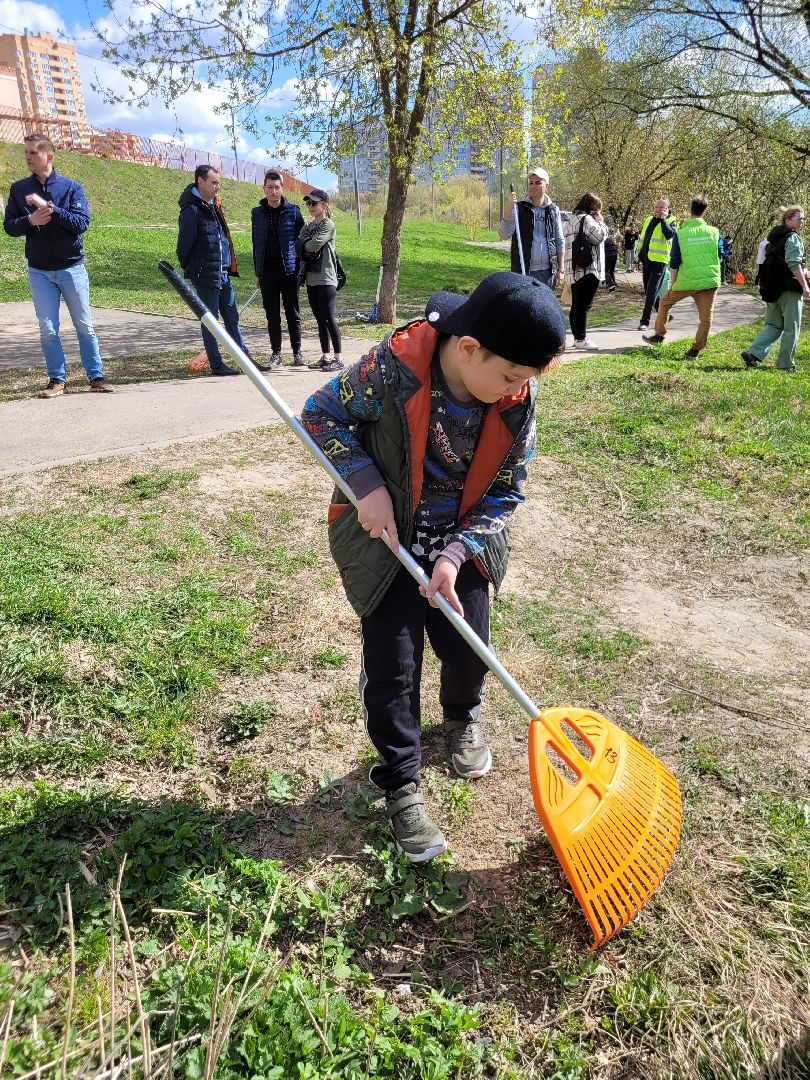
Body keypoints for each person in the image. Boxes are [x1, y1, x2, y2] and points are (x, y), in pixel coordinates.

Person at [301, 272, 566, 861]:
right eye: (509, 376)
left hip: (460, 544)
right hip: (388, 543)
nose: (516, 389)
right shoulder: (391, 369)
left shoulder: (516, 402)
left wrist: (455, 553)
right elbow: (319, 416)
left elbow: (507, 491)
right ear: (469, 348)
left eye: (525, 379)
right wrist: (365, 485)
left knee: (470, 647)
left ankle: (463, 716)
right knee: (394, 667)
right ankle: (401, 781)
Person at [3, 133, 112, 398]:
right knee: (48, 329)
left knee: (84, 325)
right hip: (39, 271)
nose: (28, 157)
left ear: (49, 156)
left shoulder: (71, 188)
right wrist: (31, 221)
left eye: (33, 153)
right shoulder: (19, 189)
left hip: (71, 268)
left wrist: (50, 208)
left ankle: (96, 376)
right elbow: (9, 227)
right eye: (26, 152)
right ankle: (57, 380)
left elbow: (81, 224)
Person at [176, 164, 253, 376]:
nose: (217, 187)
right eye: (214, 182)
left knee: (232, 317)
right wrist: (194, 269)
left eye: (219, 182)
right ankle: (217, 365)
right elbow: (183, 247)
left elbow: (221, 239)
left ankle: (245, 361)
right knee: (211, 321)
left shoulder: (214, 205)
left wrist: (226, 264)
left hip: (222, 273)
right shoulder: (191, 210)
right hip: (205, 275)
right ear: (200, 182)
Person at [642, 195, 722, 359]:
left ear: (690, 210)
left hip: (687, 281)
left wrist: (673, 284)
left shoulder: (681, 233)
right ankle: (695, 351)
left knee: (664, 302)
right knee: (706, 319)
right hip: (709, 281)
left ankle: (659, 335)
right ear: (705, 212)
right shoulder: (715, 232)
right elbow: (721, 254)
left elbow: (674, 262)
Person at [741, 205, 810, 374]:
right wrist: (805, 285)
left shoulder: (772, 238)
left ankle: (753, 353)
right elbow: (794, 264)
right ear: (788, 220)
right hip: (789, 289)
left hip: (771, 288)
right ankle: (786, 364)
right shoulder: (793, 238)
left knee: (774, 324)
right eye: (799, 218)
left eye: (803, 218)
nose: (802, 222)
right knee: (791, 327)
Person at [251, 169, 306, 370]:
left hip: (289, 272)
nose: (273, 192)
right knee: (272, 315)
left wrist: (300, 270)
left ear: (282, 188)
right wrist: (258, 272)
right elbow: (256, 243)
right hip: (267, 273)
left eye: (276, 187)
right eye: (269, 187)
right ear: (264, 188)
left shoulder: (294, 212)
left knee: (293, 314)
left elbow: (302, 242)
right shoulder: (256, 214)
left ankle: (297, 352)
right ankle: (276, 353)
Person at [297, 189, 343, 372]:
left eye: (314, 203)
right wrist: (303, 245)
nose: (311, 206)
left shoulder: (328, 224)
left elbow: (312, 245)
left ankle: (338, 358)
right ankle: (326, 356)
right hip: (311, 278)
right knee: (319, 319)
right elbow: (297, 246)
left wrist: (304, 245)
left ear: (324, 205)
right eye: (308, 203)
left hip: (326, 278)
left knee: (329, 318)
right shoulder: (307, 227)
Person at [498, 166, 565, 289]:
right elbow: (504, 234)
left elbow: (559, 240)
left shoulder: (553, 210)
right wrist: (509, 207)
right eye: (531, 183)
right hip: (523, 271)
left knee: (544, 301)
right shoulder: (519, 208)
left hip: (547, 273)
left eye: (538, 183)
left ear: (546, 186)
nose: (533, 186)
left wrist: (561, 270)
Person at [563, 193, 608, 350]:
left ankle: (577, 338)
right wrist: (601, 223)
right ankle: (581, 339)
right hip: (588, 268)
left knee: (576, 306)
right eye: (598, 209)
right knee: (583, 306)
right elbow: (598, 237)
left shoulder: (572, 220)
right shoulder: (587, 219)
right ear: (593, 208)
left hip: (574, 268)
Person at [637, 197, 677, 330]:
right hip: (646, 260)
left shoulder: (671, 221)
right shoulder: (649, 219)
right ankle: (664, 314)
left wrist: (663, 219)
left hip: (659, 262)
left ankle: (644, 322)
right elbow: (642, 239)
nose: (658, 210)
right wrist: (637, 257)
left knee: (651, 292)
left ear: (667, 209)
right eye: (656, 207)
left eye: (662, 208)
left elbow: (669, 235)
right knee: (648, 291)